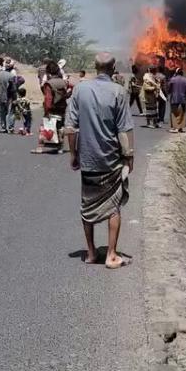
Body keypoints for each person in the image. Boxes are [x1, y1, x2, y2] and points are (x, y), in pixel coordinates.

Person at [65, 52, 134, 270]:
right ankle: (111, 254)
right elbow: (123, 129)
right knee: (113, 207)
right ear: (113, 67)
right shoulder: (119, 91)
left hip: (88, 159)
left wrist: (73, 154)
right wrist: (129, 156)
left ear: (95, 67)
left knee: (88, 205)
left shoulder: (80, 89)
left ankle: (92, 252)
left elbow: (70, 127)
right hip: (111, 160)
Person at [33, 60, 68, 153]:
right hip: (62, 108)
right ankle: (60, 148)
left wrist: (47, 110)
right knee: (60, 127)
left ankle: (40, 147)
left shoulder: (49, 84)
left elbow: (48, 99)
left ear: (48, 72)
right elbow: (70, 89)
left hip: (52, 109)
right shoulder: (64, 82)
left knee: (44, 128)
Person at [0, 59, 17, 133]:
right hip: (8, 96)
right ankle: (10, 127)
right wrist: (15, 98)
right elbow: (13, 88)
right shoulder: (12, 75)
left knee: (2, 112)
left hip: (0, 95)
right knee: (11, 112)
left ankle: (3, 127)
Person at [168, 68, 186, 133]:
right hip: (183, 98)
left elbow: (169, 88)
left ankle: (175, 127)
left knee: (174, 113)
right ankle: (180, 127)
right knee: (182, 112)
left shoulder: (173, 79)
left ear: (176, 73)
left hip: (174, 98)